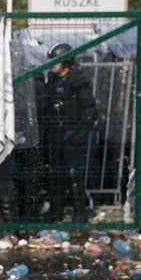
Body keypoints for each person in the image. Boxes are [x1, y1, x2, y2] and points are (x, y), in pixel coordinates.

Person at [43, 43, 97, 223]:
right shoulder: (52, 79)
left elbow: (90, 109)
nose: (52, 65)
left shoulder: (78, 80)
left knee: (74, 173)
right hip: (55, 133)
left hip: (71, 132)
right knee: (55, 174)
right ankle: (56, 211)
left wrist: (80, 135)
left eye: (56, 61)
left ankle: (79, 213)